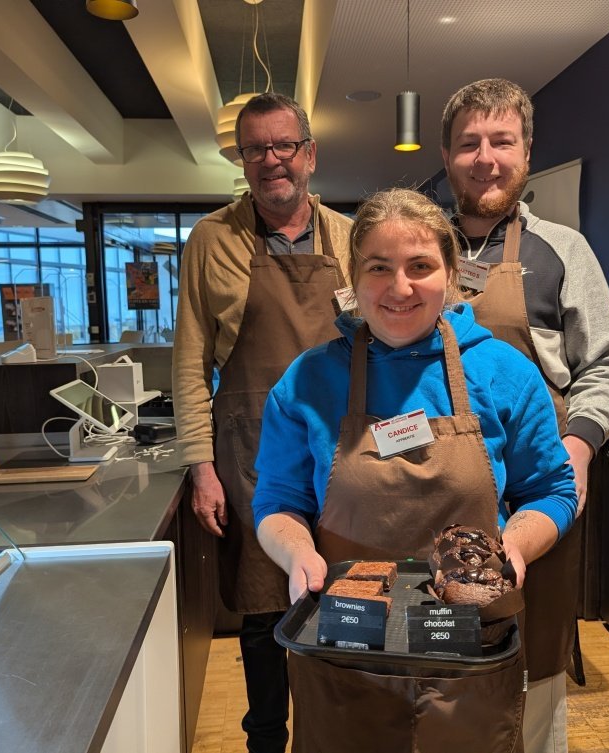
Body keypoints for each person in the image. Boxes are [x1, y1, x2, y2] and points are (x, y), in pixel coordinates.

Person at [252, 187, 578, 753]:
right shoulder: (307, 382)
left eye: (420, 266)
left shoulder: (504, 373)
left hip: (469, 658)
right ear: (354, 278)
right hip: (344, 650)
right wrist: (296, 554)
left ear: (450, 275)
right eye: (379, 268)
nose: (400, 288)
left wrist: (515, 548)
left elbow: (553, 491)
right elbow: (277, 502)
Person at [440, 78, 609, 753]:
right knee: (436, 665)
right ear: (447, 154)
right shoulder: (420, 251)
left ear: (526, 153)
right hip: (434, 497)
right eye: (469, 142)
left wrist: (578, 448)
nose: (485, 157)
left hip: (535, 497)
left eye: (502, 140)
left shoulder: (565, 251)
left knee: (534, 666)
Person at [172, 92, 352, 753]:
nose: (271, 160)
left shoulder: (350, 236)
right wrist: (201, 468)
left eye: (284, 146)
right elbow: (189, 362)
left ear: (308, 153)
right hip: (248, 451)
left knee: (342, 597)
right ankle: (267, 740)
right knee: (262, 604)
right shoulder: (211, 240)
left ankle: (335, 735)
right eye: (255, 149)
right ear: (242, 160)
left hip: (341, 449)